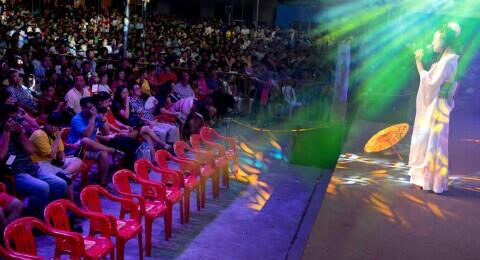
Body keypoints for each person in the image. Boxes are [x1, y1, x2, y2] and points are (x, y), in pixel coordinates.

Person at [408, 22, 461, 194]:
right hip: (441, 104)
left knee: (431, 141)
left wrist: (418, 62)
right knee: (436, 142)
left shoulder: (447, 61)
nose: (434, 43)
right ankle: (432, 180)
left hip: (437, 106)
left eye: (436, 40)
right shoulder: (451, 58)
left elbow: (430, 83)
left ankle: (428, 180)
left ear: (445, 42)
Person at [0, 105, 67, 218]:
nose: (13, 122)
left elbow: (30, 151)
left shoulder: (18, 132)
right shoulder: (3, 133)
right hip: (15, 173)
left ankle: (45, 212)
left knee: (61, 184)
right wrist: (6, 133)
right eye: (10, 119)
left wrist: (20, 133)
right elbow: (1, 156)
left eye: (15, 118)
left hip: (32, 167)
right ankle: (35, 218)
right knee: (42, 187)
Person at [67, 97, 121, 186]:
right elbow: (86, 136)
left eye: (92, 107)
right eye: (88, 108)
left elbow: (106, 132)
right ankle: (112, 150)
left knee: (103, 153)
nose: (91, 110)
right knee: (85, 140)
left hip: (92, 147)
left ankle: (102, 182)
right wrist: (92, 119)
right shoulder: (77, 119)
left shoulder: (96, 116)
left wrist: (103, 119)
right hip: (76, 149)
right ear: (82, 108)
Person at [30, 112, 84, 201]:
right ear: (46, 123)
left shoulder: (55, 132)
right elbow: (51, 153)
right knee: (68, 181)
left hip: (52, 161)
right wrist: (59, 136)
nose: (53, 128)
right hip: (40, 164)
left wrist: (62, 161)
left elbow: (61, 151)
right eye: (51, 125)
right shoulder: (38, 134)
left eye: (55, 126)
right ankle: (71, 203)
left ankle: (62, 173)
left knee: (77, 161)